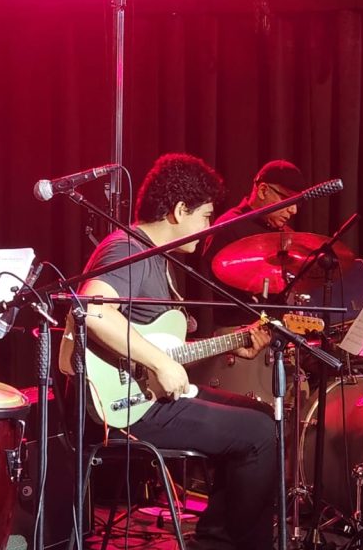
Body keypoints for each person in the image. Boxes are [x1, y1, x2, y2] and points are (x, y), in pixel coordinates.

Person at [60, 153, 277, 550]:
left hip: (143, 395)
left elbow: (158, 343)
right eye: (206, 216)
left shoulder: (158, 260)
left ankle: (216, 538)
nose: (209, 227)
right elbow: (92, 310)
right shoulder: (127, 249)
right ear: (179, 211)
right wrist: (160, 361)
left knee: (260, 414)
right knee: (259, 434)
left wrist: (232, 344)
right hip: (120, 409)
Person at [200, 159, 306, 334]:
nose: (294, 210)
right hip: (237, 336)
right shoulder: (228, 228)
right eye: (287, 199)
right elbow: (209, 294)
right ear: (263, 190)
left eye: (298, 203)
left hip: (278, 336)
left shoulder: (286, 234)